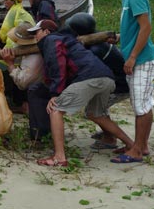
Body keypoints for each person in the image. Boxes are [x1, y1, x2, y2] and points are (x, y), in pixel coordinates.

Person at [29, 19, 133, 167]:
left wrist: (55, 93)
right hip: (106, 77)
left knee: (55, 109)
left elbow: (57, 64)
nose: (35, 37)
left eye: (36, 33)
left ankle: (59, 157)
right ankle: (131, 145)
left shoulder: (51, 40)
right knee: (96, 114)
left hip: (89, 77)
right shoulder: (69, 39)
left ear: (46, 32)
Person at [110, 0, 154, 163]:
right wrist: (121, 38)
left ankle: (137, 150)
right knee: (141, 103)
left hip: (143, 59)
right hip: (137, 58)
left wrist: (131, 57)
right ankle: (142, 146)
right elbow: (136, 29)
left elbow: (146, 27)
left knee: (141, 104)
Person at [66, 12, 130, 150]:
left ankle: (110, 139)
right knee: (97, 110)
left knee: (94, 112)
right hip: (118, 82)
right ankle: (108, 132)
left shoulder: (95, 49)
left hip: (120, 86)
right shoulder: (100, 42)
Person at [0, 22, 50, 140]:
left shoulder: (35, 57)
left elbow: (22, 83)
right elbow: (14, 52)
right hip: (36, 87)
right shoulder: (26, 48)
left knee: (39, 121)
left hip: (42, 89)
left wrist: (10, 64)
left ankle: (41, 137)